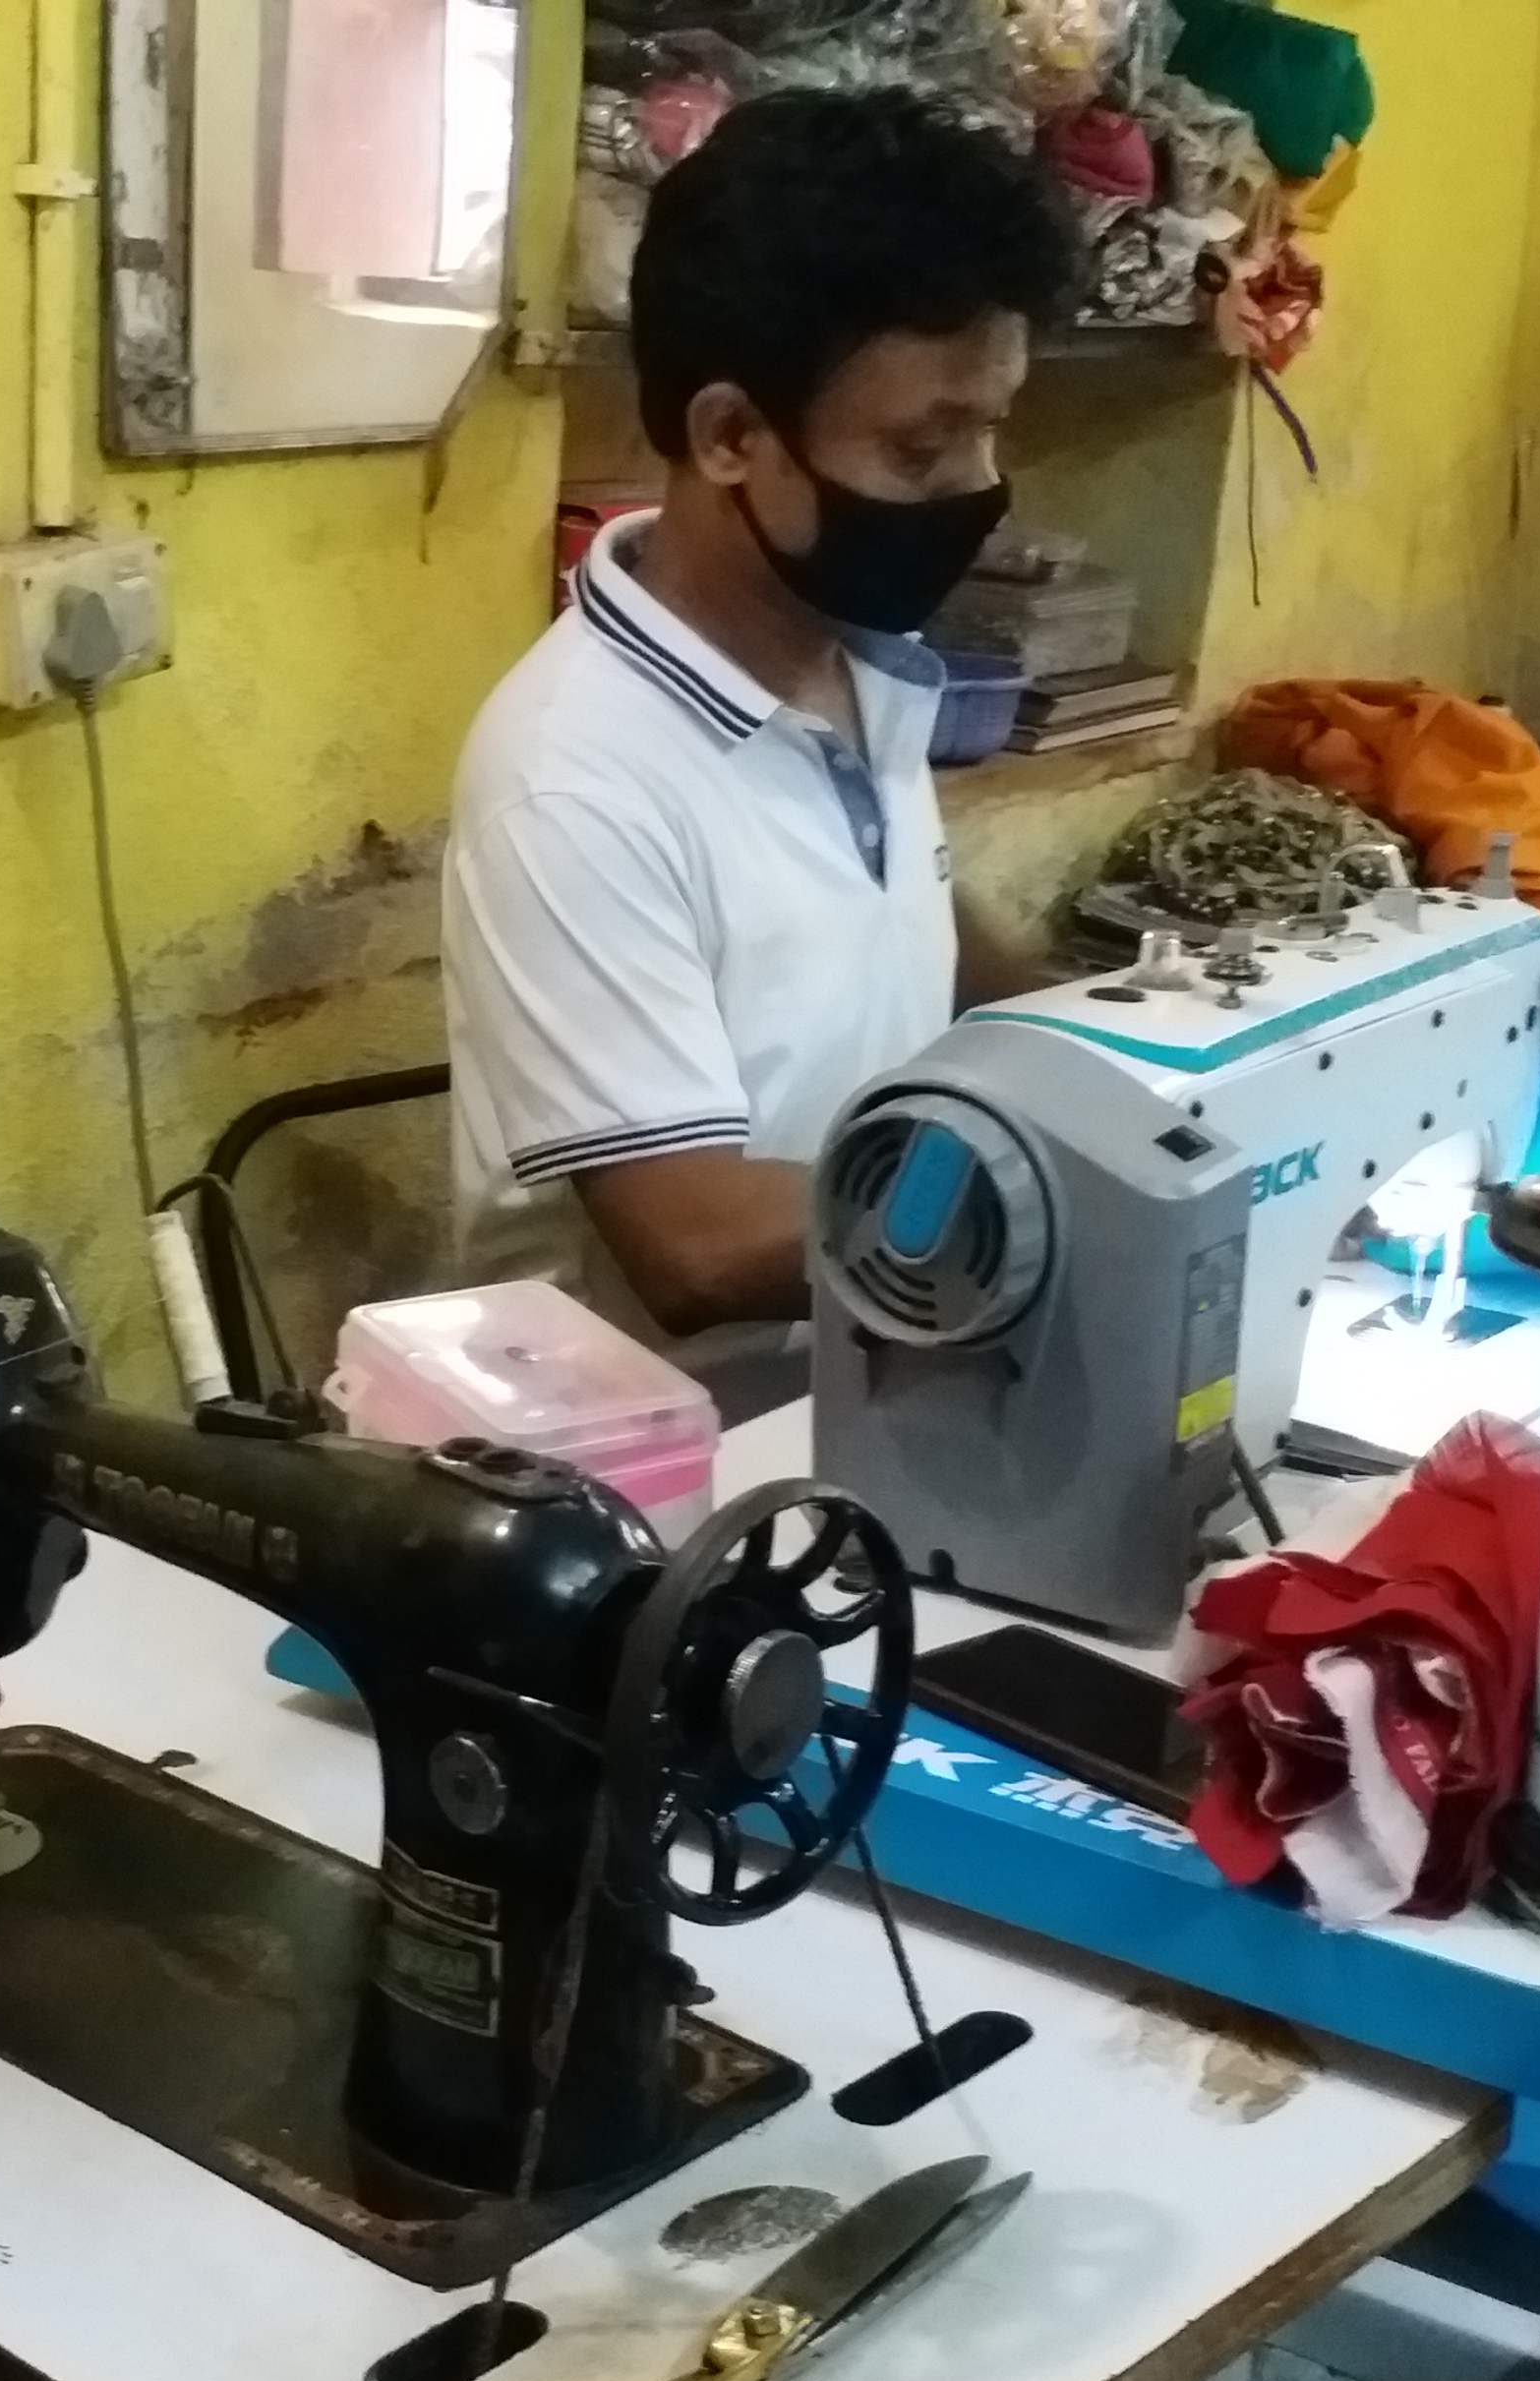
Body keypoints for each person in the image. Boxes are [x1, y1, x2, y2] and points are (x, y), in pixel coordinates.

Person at [442, 89, 1077, 1413]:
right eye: (924, 445)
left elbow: (910, 936)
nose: (977, 485)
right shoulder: (576, 774)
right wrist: (1075, 1188)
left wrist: (1140, 1059)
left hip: (878, 1396)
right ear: (732, 435)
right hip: (657, 1477)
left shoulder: (848, 660)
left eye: (995, 427)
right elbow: (702, 1243)